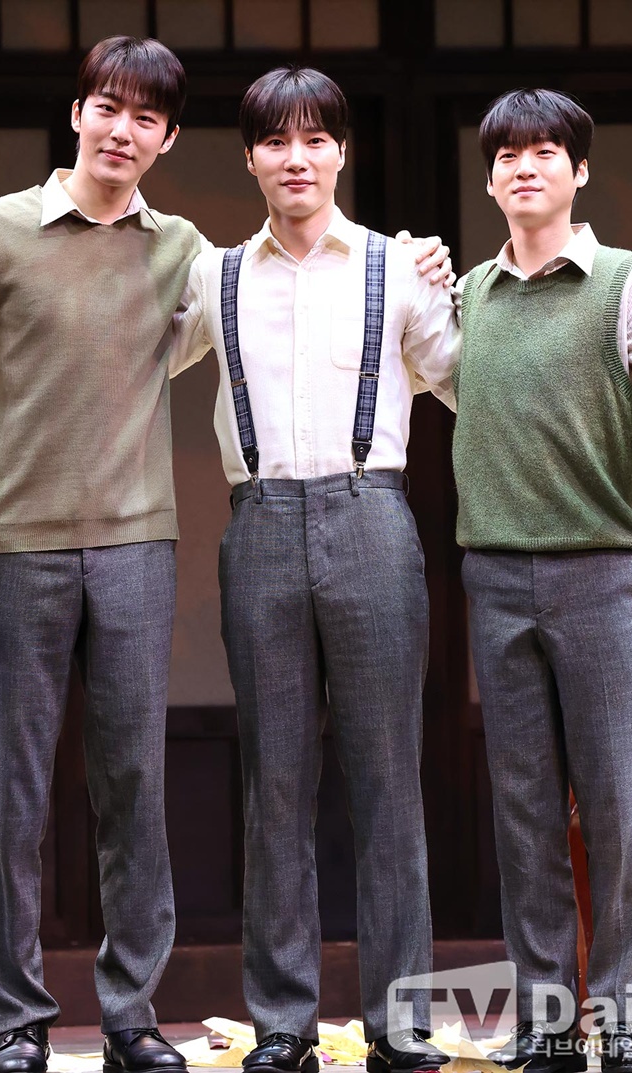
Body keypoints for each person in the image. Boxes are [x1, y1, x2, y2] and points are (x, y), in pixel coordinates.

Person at [0, 36, 202, 1073]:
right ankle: (19, 1021)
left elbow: (263, 303)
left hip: (135, 544)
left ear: (168, 139)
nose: (122, 131)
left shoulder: (182, 250)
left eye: (145, 118)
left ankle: (132, 1016)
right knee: (14, 790)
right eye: (107, 108)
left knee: (134, 785)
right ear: (77, 113)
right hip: (11, 546)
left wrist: (401, 266)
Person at [171, 66, 459, 1073]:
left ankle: (401, 1023)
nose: (296, 158)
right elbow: (129, 355)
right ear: (249, 158)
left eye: (314, 138)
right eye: (275, 141)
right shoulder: (213, 276)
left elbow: (473, 382)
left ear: (342, 150)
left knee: (388, 780)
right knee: (275, 783)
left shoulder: (396, 267)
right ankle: (283, 1022)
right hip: (258, 520)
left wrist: (456, 283)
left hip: (372, 513)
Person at [443, 88, 632, 1073]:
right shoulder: (469, 295)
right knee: (523, 817)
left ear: (579, 170)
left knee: (614, 810)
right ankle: (551, 1025)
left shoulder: (627, 283)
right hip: (494, 574)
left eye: (545, 152)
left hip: (603, 571)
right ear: (489, 179)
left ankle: (625, 1022)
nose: (524, 167)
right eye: (507, 155)